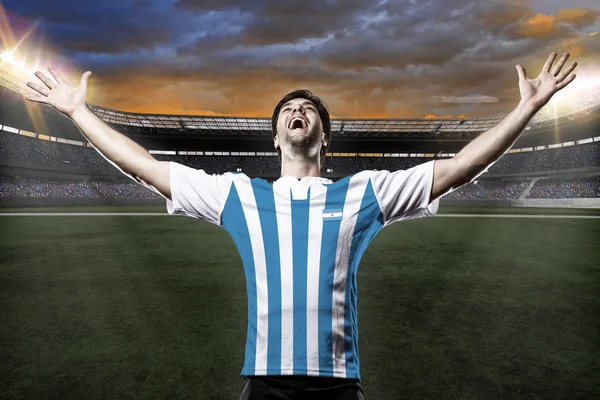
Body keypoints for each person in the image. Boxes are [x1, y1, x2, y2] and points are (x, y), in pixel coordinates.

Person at [26, 52, 577, 399]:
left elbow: (460, 167)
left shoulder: (363, 192)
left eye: (309, 109)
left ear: (323, 136)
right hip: (264, 385)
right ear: (274, 136)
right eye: (288, 108)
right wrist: (77, 113)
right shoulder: (238, 194)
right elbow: (143, 166)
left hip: (340, 386)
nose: (298, 111)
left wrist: (526, 109)